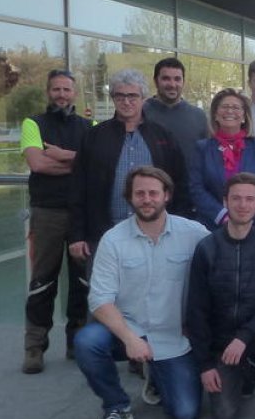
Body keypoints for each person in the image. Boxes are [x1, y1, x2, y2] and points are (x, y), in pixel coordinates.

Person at [73, 166, 209, 419]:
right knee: (87, 342)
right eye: (140, 193)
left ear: (166, 195)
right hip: (128, 329)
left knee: (185, 412)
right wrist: (129, 338)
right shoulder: (113, 240)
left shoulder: (194, 233)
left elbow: (221, 265)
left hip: (175, 336)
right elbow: (100, 299)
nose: (147, 199)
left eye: (153, 193)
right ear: (130, 197)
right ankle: (117, 405)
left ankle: (157, 375)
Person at [186, 173, 255, 419]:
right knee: (224, 413)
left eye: (249, 199)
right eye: (236, 198)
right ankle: (246, 369)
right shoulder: (206, 248)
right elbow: (196, 310)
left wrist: (244, 337)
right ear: (225, 202)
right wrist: (205, 365)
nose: (243, 205)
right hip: (220, 339)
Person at [69, 69, 188, 266]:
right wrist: (76, 234)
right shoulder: (94, 137)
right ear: (113, 98)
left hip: (155, 235)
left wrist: (179, 227)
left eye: (132, 95)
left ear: (143, 98)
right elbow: (78, 187)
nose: (126, 101)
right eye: (120, 96)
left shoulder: (162, 137)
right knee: (105, 294)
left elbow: (181, 184)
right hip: (104, 235)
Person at [21, 69, 92, 373]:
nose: (61, 94)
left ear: (74, 93)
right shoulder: (32, 123)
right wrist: (78, 161)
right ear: (48, 92)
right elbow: (37, 163)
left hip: (81, 212)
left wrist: (62, 154)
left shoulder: (89, 126)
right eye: (56, 89)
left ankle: (77, 340)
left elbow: (97, 161)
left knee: (82, 281)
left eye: (66, 89)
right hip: (47, 212)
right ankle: (34, 347)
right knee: (42, 281)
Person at [189, 89, 255, 233]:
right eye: (224, 107)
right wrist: (222, 216)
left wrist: (247, 215)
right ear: (215, 114)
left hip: (254, 227)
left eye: (235, 107)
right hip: (213, 227)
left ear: (244, 116)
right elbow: (196, 188)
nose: (230, 111)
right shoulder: (202, 148)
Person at [142, 57, 209, 169]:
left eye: (177, 79)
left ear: (183, 82)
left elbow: (205, 156)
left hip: (188, 185)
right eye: (166, 79)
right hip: (151, 185)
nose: (172, 84)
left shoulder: (199, 116)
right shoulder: (141, 113)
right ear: (155, 81)